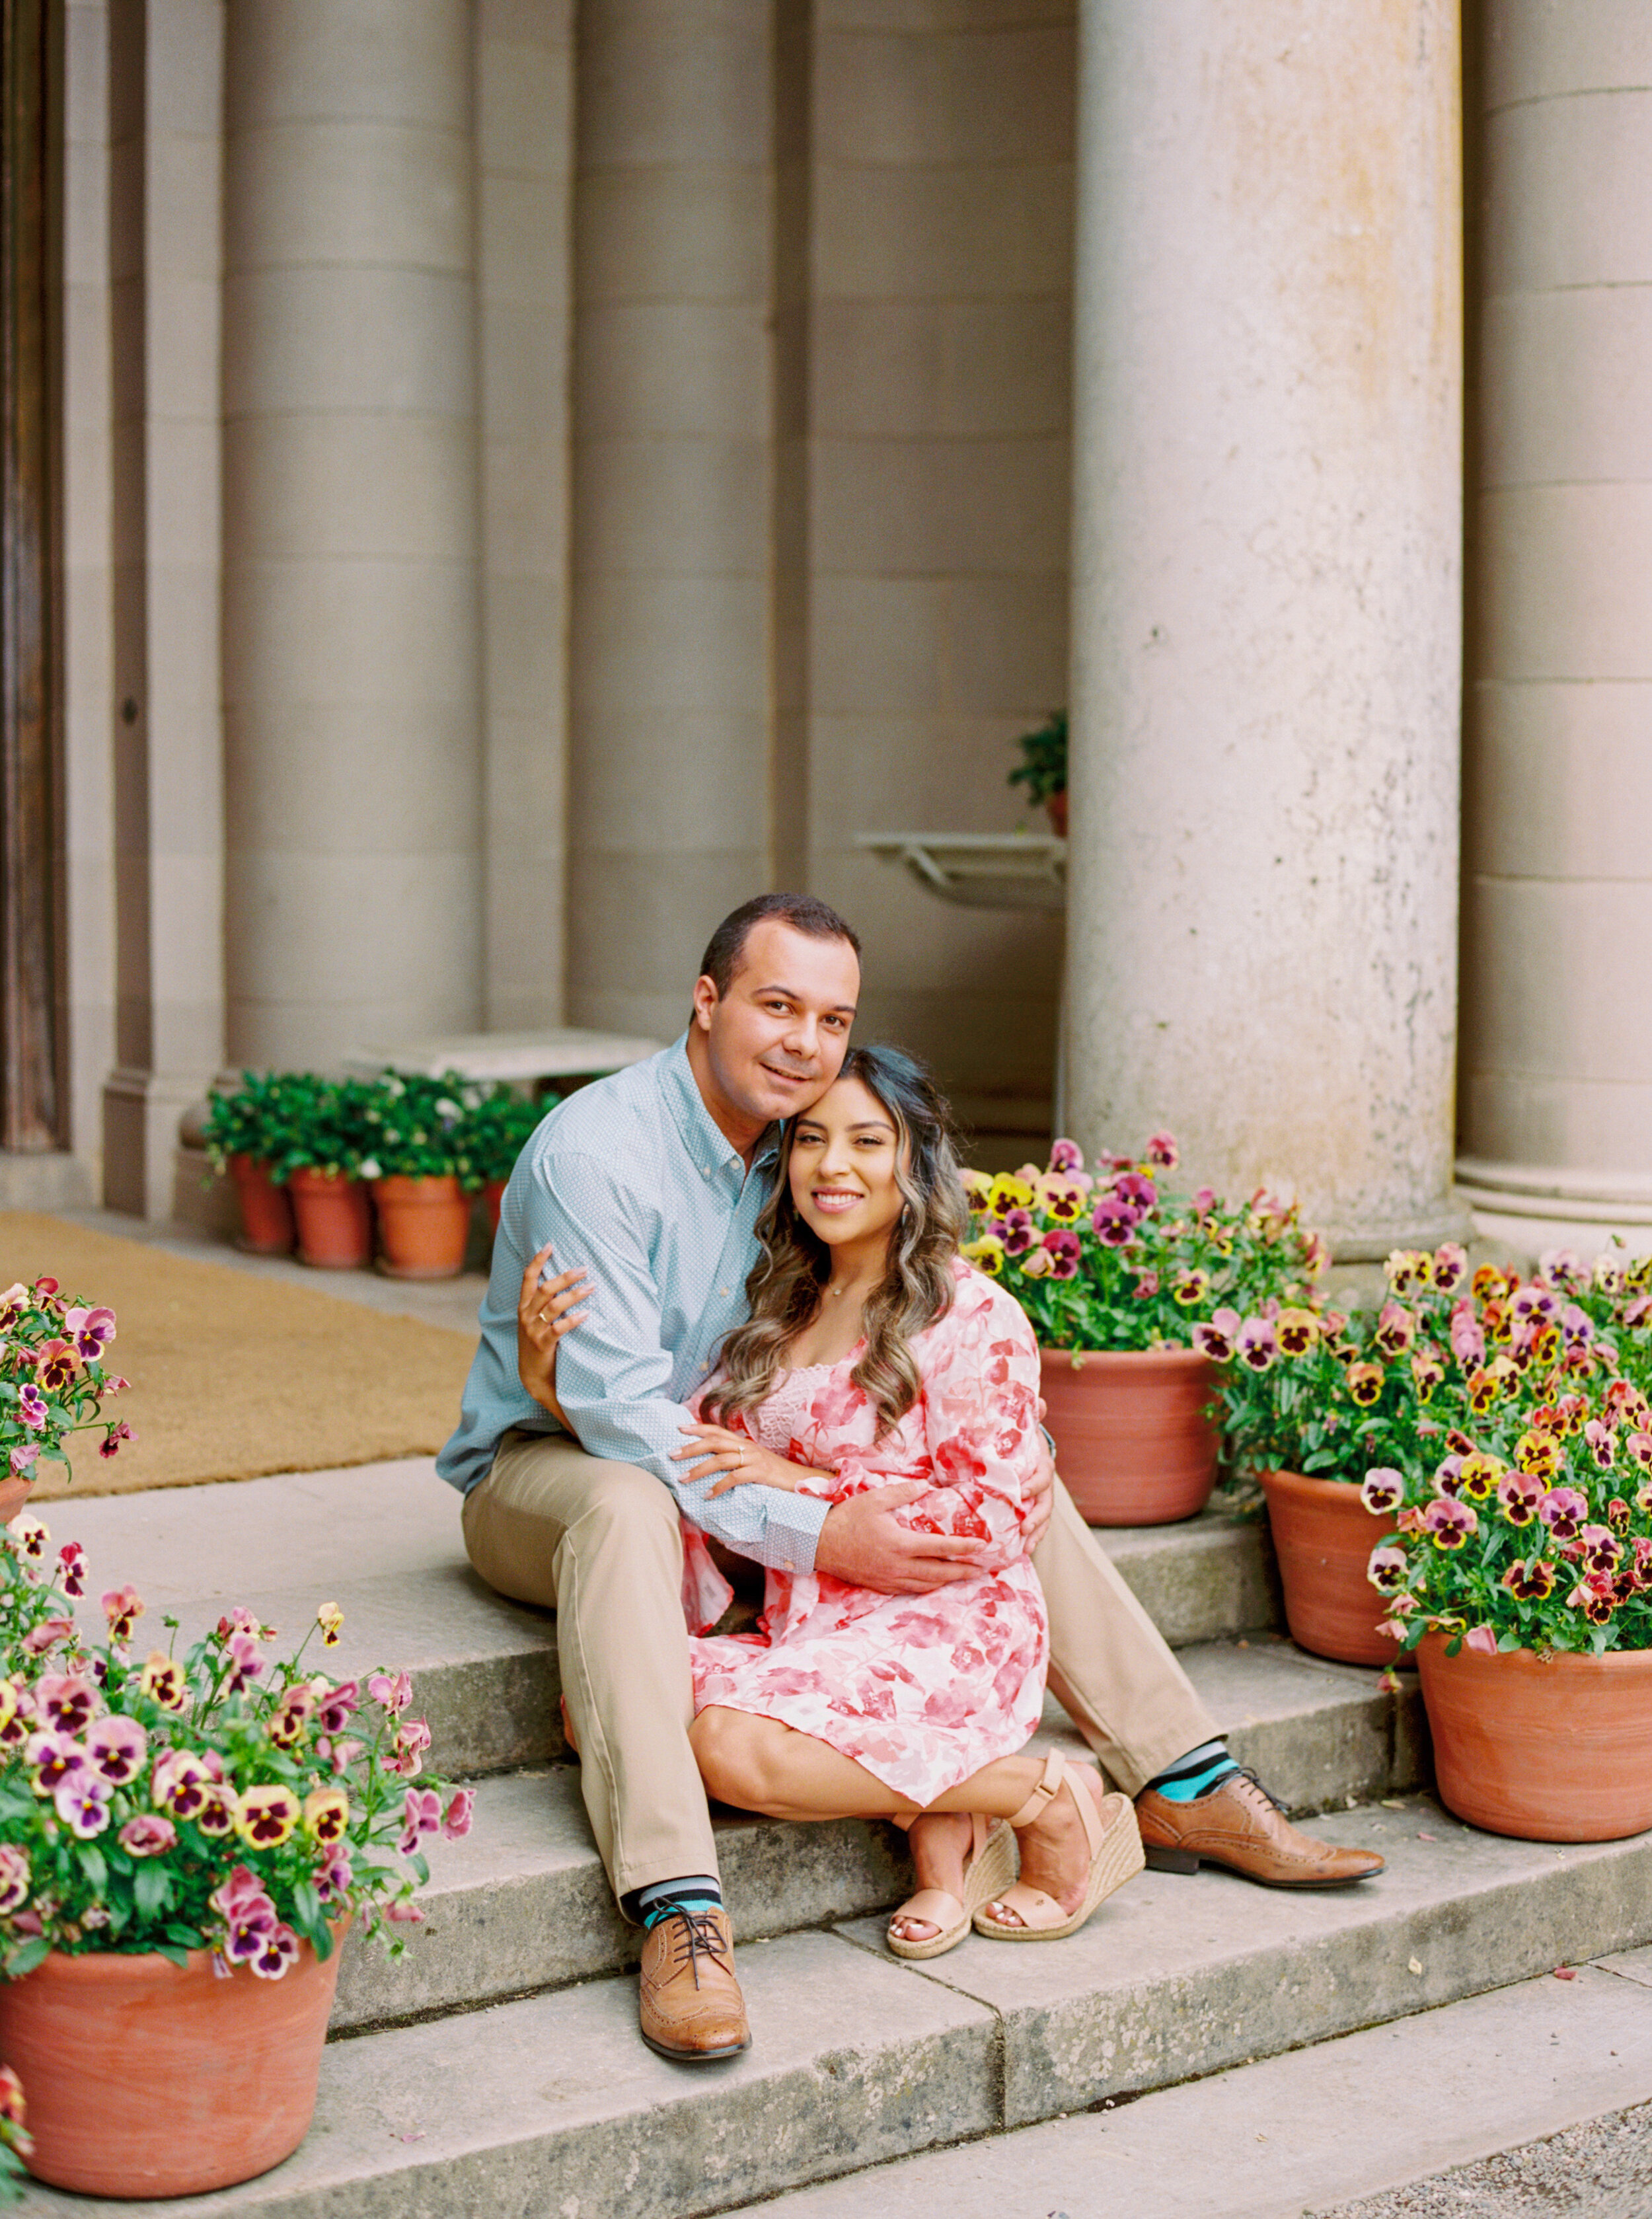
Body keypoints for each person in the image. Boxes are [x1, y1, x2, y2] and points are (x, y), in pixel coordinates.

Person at [437, 892, 1382, 2062]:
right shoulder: (600, 1154)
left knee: (1006, 1473)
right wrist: (823, 1531)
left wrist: (837, 1495)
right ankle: (680, 1908)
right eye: (776, 1005)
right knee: (632, 1500)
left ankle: (1184, 1774)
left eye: (832, 1018)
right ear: (705, 999)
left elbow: (829, 1372)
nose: (804, 1041)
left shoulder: (797, 1140)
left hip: (729, 1475)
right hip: (559, 1469)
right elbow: (624, 1420)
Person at [671, 1044, 1145, 1958]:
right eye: (810, 1140)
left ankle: (1044, 1795)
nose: (832, 1165)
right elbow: (702, 1457)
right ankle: (954, 1832)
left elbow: (997, 1516)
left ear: (914, 1159)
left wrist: (810, 1490)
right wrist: (553, 1378)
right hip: (812, 1624)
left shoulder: (970, 1315)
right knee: (618, 1701)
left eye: (865, 1140)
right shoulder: (780, 1306)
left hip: (943, 1618)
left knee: (730, 1747)